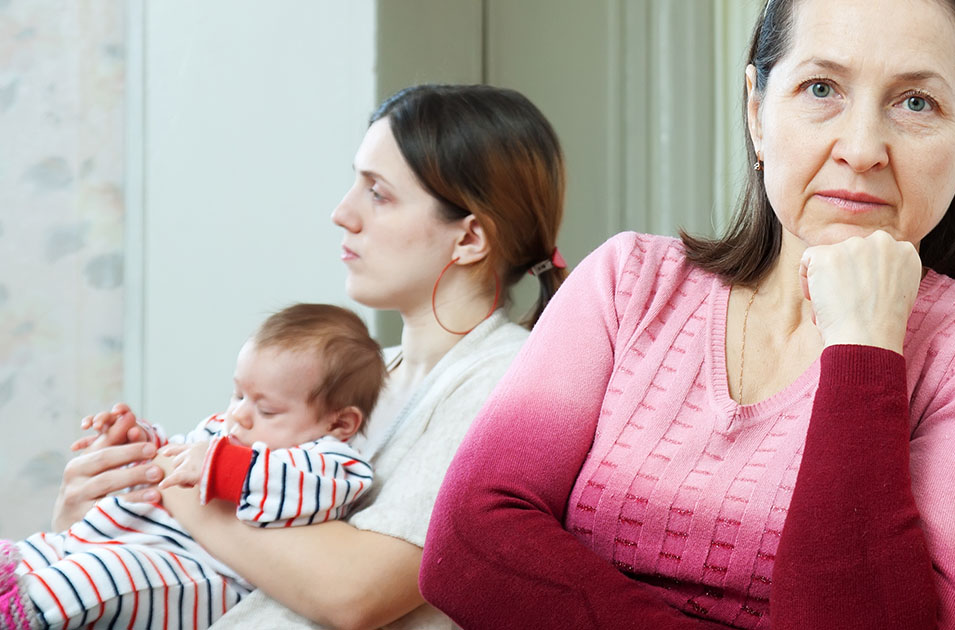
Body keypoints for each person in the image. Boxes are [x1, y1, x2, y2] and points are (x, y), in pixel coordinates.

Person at [419, 1, 955, 629]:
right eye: (821, 88)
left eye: (916, 102)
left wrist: (865, 346)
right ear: (758, 111)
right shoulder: (627, 284)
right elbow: (466, 545)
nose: (862, 148)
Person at [44, 84, 567, 630]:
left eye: (378, 193)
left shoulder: (507, 383)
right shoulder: (357, 381)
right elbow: (226, 561)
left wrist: (169, 483)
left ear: (470, 238)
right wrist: (99, 518)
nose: (342, 213)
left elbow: (354, 592)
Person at [0, 303, 385, 630]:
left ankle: (20, 614)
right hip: (136, 537)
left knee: (103, 573)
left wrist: (220, 466)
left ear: (340, 423)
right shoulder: (229, 430)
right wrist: (138, 439)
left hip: (198, 577)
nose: (239, 414)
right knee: (47, 550)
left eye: (266, 409)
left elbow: (295, 490)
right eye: (237, 394)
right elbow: (176, 455)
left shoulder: (330, 463)